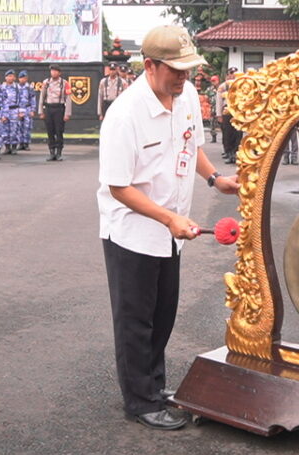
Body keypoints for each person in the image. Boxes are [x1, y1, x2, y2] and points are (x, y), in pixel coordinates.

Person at [98, 25, 239, 431]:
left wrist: (214, 179)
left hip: (172, 232)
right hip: (133, 233)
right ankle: (140, 401)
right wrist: (168, 218)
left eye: (189, 69)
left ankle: (154, 388)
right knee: (135, 321)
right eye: (176, 70)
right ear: (149, 66)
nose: (184, 77)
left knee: (162, 316)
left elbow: (190, 144)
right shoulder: (126, 115)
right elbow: (119, 187)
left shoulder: (187, 96)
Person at [38, 64, 71, 161]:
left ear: (59, 73)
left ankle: (59, 152)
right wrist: (41, 111)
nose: (53, 73)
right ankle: (51, 152)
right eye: (52, 71)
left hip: (59, 109)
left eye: (55, 71)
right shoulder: (46, 82)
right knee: (50, 131)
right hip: (48, 108)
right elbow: (42, 97)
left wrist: (67, 113)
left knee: (59, 131)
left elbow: (68, 99)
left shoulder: (64, 83)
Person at [1, 70, 19, 155]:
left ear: (14, 78)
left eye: (11, 76)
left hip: (14, 110)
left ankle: (14, 147)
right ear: (5, 78)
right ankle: (7, 147)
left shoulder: (17, 88)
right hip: (5, 111)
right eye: (8, 76)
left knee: (14, 130)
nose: (10, 78)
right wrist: (1, 114)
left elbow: (21, 100)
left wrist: (20, 111)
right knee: (5, 130)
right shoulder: (1, 88)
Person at [16, 70, 34, 150]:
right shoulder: (15, 87)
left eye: (24, 78)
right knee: (19, 127)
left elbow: (32, 99)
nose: (23, 79)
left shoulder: (29, 87)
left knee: (27, 127)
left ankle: (26, 143)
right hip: (18, 109)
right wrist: (17, 111)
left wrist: (32, 110)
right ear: (18, 79)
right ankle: (20, 143)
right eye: (21, 78)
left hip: (27, 109)